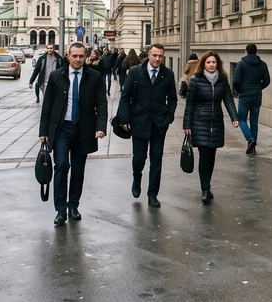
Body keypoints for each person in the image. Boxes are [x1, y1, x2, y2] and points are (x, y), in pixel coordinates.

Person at [38, 42, 108, 226]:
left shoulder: (94, 77)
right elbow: (47, 105)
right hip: (62, 129)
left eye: (81, 56)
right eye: (74, 56)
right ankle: (60, 209)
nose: (78, 59)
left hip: (84, 129)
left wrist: (100, 126)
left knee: (78, 170)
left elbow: (101, 103)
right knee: (61, 165)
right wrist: (43, 130)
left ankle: (73, 206)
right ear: (68, 56)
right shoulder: (56, 76)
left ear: (86, 57)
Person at [117, 44, 178, 208]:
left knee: (156, 160)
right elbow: (125, 97)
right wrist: (124, 119)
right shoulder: (136, 72)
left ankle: (153, 195)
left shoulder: (168, 74)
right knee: (139, 158)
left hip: (159, 124)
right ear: (148, 55)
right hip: (139, 122)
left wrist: (169, 116)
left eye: (160, 56)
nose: (157, 59)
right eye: (154, 55)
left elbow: (173, 98)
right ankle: (137, 178)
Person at [183, 51, 240, 204]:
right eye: (208, 62)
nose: (211, 65)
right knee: (204, 156)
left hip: (216, 123)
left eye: (214, 62)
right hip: (199, 122)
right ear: (203, 64)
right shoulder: (196, 80)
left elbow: (228, 99)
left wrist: (234, 118)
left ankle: (207, 186)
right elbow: (189, 104)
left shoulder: (222, 80)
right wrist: (187, 125)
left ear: (217, 64)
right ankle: (205, 189)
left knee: (212, 155)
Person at [234, 43, 271, 155]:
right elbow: (267, 80)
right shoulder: (262, 64)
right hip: (257, 96)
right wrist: (259, 87)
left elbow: (236, 81)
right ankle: (253, 147)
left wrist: (238, 90)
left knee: (241, 119)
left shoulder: (241, 64)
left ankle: (250, 139)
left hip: (244, 95)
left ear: (246, 51)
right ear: (256, 52)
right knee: (254, 121)